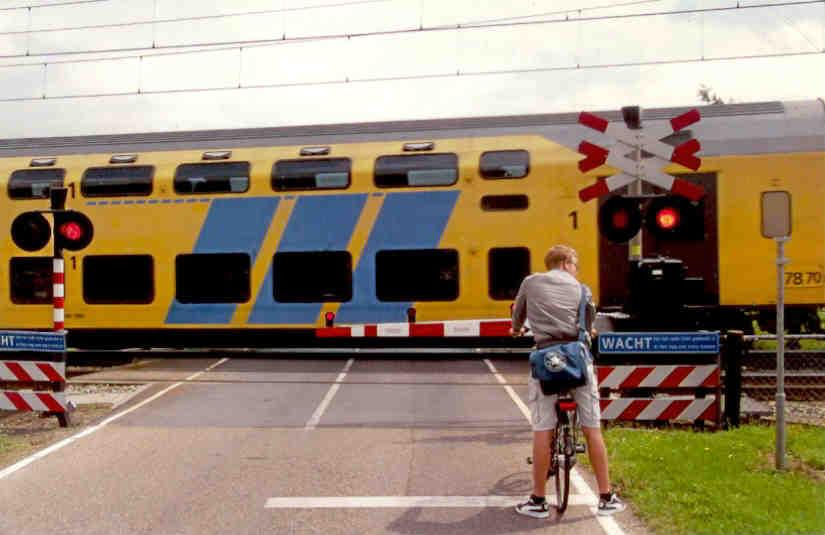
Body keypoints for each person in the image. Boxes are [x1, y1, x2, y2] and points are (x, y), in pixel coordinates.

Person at [510, 244, 626, 519]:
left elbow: (518, 314)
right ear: (565, 262)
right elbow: (589, 321)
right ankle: (606, 497)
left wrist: (516, 329)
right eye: (575, 265)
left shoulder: (531, 282)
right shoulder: (582, 289)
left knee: (542, 429)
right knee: (592, 428)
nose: (576, 270)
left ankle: (538, 500)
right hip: (578, 361)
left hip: (546, 359)